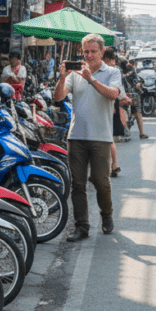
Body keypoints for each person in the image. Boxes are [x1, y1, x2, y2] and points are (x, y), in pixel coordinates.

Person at [54, 32, 122, 241]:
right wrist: (63, 77)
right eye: (86, 52)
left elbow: (113, 94)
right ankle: (81, 226)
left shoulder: (112, 72)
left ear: (102, 52)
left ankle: (106, 215)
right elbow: (58, 97)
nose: (90, 56)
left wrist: (91, 79)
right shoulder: (75, 74)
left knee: (101, 181)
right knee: (78, 184)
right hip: (77, 136)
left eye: (94, 52)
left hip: (101, 137)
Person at [121, 58, 149, 140]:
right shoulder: (132, 71)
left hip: (122, 95)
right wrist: (139, 86)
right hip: (133, 95)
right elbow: (137, 82)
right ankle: (141, 133)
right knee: (138, 113)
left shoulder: (117, 71)